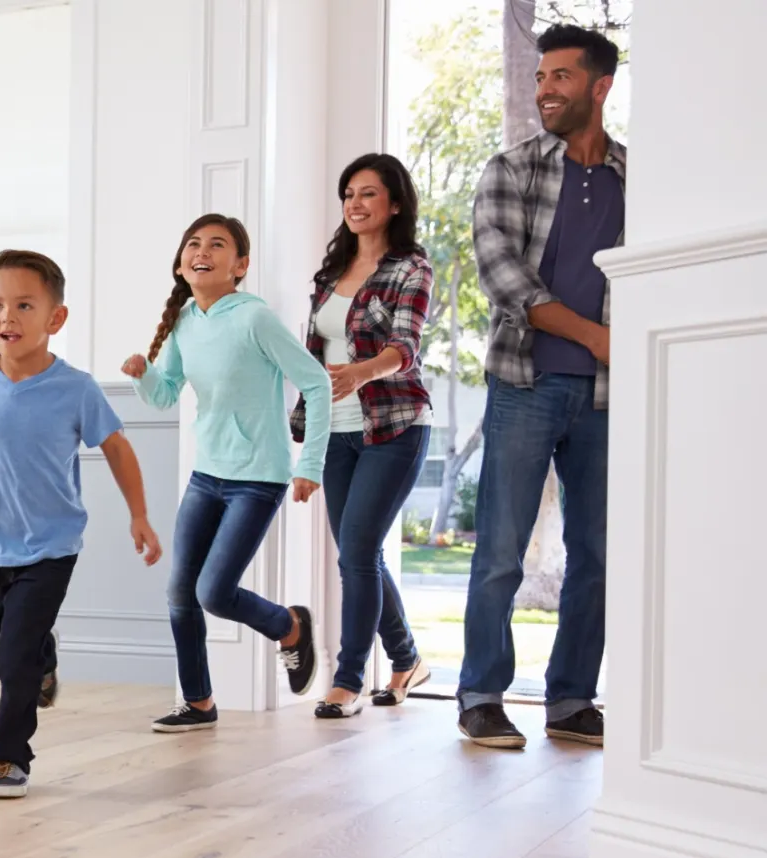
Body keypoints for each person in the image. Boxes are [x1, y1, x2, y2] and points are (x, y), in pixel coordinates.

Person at [458, 24, 625, 750]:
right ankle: (482, 694)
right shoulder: (511, 169)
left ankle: (571, 699)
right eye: (539, 77)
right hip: (525, 383)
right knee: (500, 548)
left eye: (560, 76)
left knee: (597, 551)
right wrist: (595, 338)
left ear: (600, 86)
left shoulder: (636, 178)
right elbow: (504, 278)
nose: (545, 89)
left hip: (608, 399)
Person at [0, 249, 162, 798]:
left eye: (24, 305)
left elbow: (117, 448)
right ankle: (43, 658)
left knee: (14, 656)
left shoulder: (76, 388)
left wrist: (138, 514)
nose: (8, 317)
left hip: (50, 546)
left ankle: (8, 758)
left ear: (55, 319)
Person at [121, 215, 331, 733]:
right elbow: (166, 393)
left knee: (213, 593)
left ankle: (290, 626)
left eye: (218, 245)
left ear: (240, 266)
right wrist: (143, 375)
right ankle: (198, 703)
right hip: (207, 474)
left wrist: (311, 464)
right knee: (179, 594)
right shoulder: (185, 321)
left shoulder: (255, 319)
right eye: (194, 243)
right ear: (181, 263)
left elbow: (318, 383)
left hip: (258, 476)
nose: (203, 251)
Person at [291, 153, 436, 718]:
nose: (355, 202)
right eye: (348, 193)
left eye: (368, 193)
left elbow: (406, 346)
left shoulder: (410, 269)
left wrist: (361, 371)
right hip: (336, 434)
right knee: (361, 555)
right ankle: (406, 660)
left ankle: (347, 679)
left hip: (393, 426)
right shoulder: (330, 276)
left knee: (355, 554)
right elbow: (312, 355)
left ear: (394, 203)